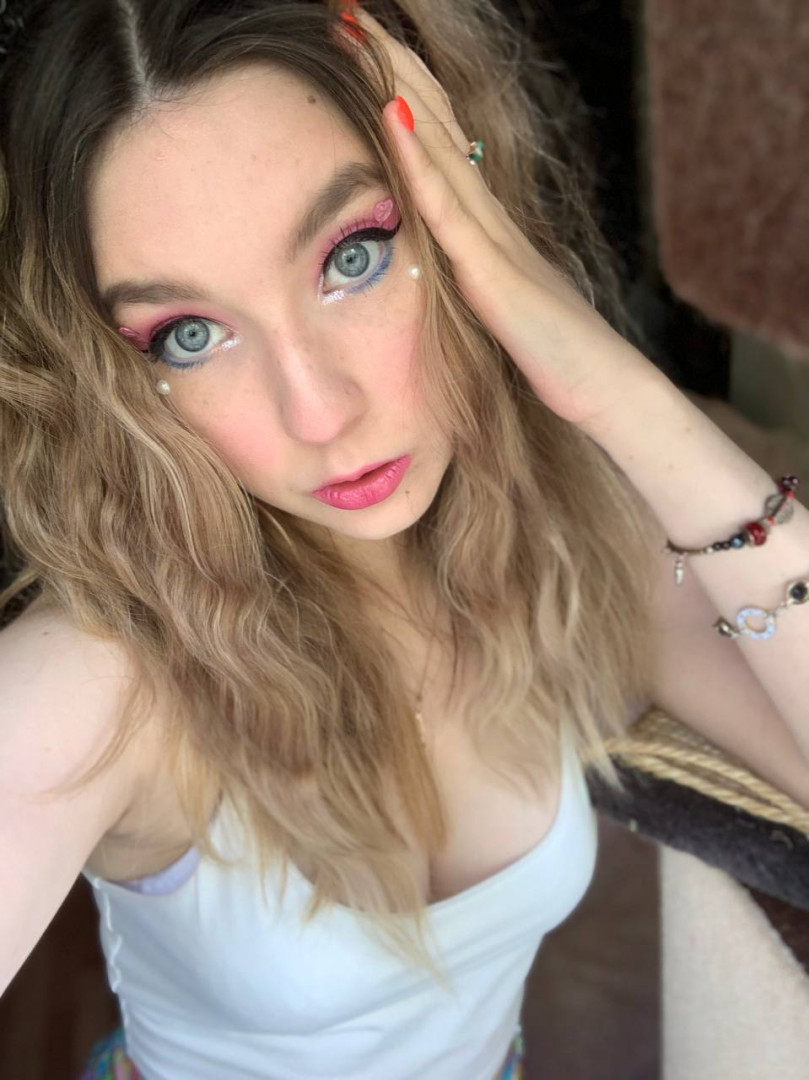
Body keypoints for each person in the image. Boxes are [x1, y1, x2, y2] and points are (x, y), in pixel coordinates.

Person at [8, 1, 786, 1078]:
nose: (318, 412)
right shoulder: (105, 678)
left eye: (354, 255)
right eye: (188, 335)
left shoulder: (571, 533)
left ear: (461, 217)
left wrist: (622, 395)